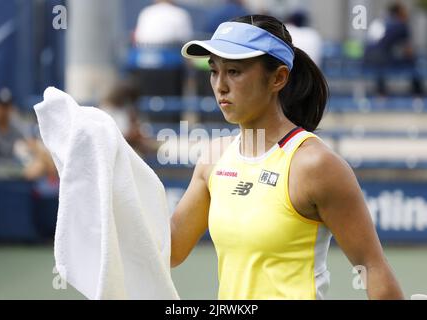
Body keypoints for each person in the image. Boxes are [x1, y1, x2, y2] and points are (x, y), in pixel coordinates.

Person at [171, 15, 404, 299]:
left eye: (234, 71)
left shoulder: (314, 165)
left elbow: (372, 266)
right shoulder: (215, 156)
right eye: (213, 71)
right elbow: (171, 249)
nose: (220, 85)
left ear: (278, 78)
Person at [364, 2, 424, 96]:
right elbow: (408, 50)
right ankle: (418, 93)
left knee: (382, 62)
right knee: (411, 62)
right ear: (399, 13)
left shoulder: (380, 21)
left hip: (367, 58)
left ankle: (381, 92)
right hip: (381, 58)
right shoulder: (401, 25)